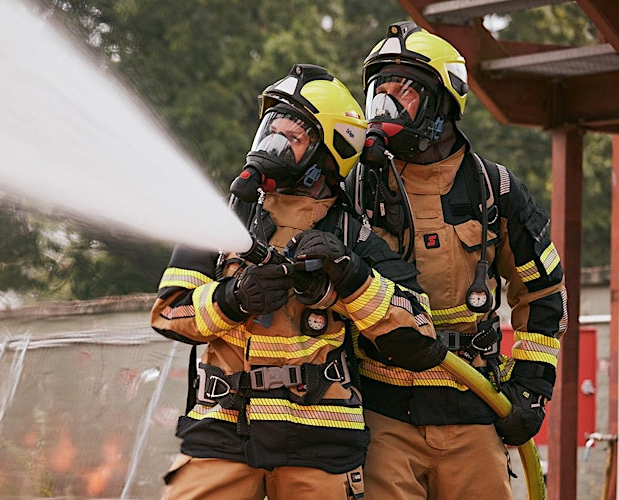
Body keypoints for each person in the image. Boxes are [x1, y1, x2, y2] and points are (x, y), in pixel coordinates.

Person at [150, 63, 446, 500]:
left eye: (292, 136)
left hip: (321, 444)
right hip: (223, 433)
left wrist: (352, 279)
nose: (272, 144)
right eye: (270, 130)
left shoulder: (354, 237)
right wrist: (232, 299)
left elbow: (420, 334)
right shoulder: (223, 222)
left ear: (329, 152)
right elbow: (167, 313)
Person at [348, 21, 568, 499]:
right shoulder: (357, 188)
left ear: (443, 103)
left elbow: (543, 293)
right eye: (377, 92)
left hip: (473, 403)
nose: (384, 107)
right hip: (384, 410)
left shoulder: (495, 189)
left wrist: (529, 389)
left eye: (402, 93)